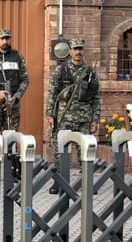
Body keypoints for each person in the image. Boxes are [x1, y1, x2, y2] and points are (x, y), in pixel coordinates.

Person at [45, 39, 101, 194]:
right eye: (75, 49)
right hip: (64, 118)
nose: (78, 52)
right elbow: (52, 94)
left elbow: (96, 97)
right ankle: (59, 183)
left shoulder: (90, 72)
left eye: (80, 49)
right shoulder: (61, 70)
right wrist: (50, 115)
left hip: (84, 118)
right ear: (69, 51)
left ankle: (87, 183)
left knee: (85, 151)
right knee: (59, 153)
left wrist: (95, 119)